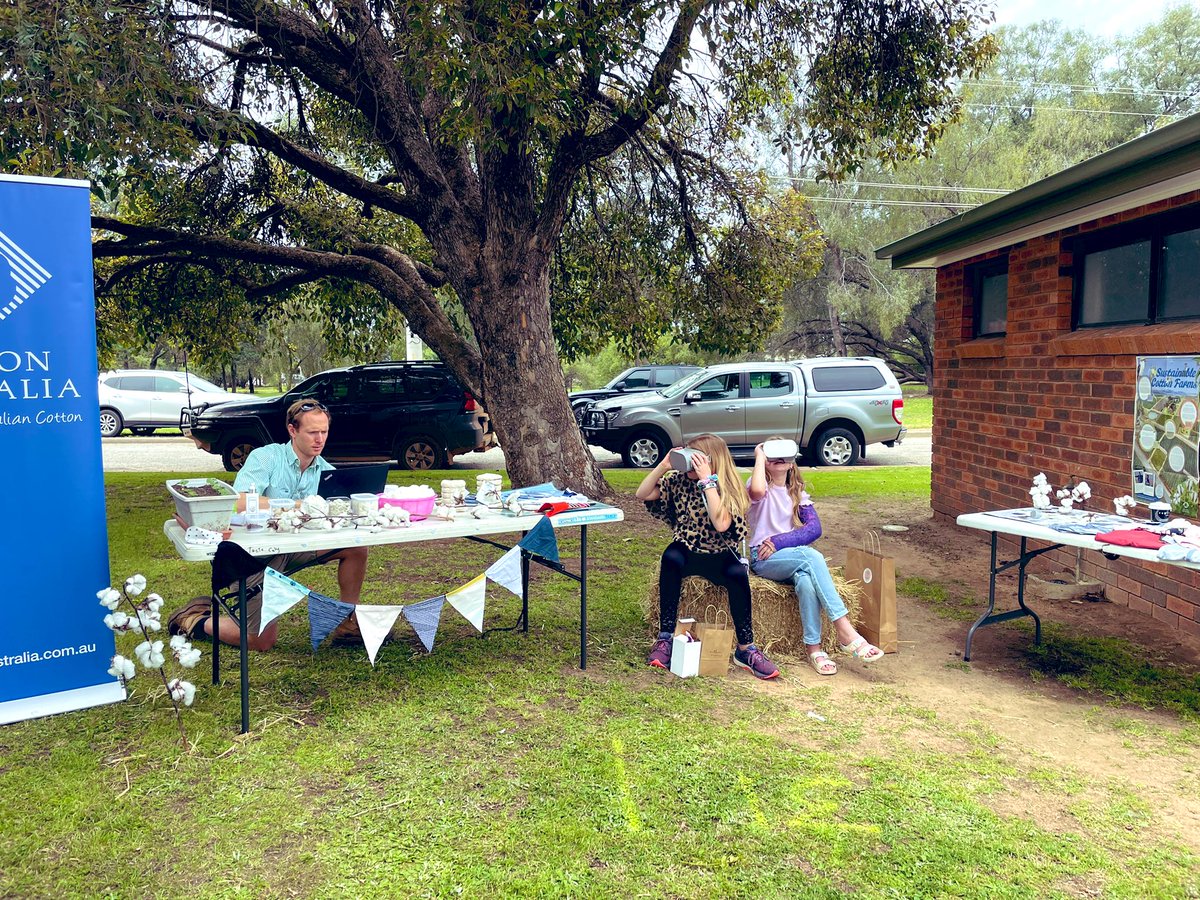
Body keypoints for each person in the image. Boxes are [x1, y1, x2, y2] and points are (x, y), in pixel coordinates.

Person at [168, 399, 369, 651]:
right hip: (252, 557)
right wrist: (297, 505)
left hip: (294, 549)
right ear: (292, 430)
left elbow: (341, 506)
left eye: (324, 432)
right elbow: (238, 501)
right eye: (312, 432)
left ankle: (347, 620)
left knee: (355, 548)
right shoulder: (266, 457)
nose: (320, 439)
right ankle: (196, 620)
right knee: (261, 641)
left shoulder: (325, 470)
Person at [636, 433, 779, 679]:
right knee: (670, 558)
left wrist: (707, 482)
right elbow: (642, 493)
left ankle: (746, 648)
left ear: (711, 460)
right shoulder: (678, 481)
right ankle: (665, 637)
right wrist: (664, 465)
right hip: (687, 548)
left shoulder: (730, 487)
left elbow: (721, 524)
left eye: (695, 458)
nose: (689, 464)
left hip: (720, 553)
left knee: (737, 574)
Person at [746, 437, 883, 675]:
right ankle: (845, 630)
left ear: (792, 462)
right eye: (772, 455)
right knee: (811, 556)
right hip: (763, 557)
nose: (779, 459)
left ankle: (814, 649)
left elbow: (814, 528)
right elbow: (756, 492)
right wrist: (759, 456)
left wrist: (779, 541)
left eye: (784, 454)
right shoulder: (759, 485)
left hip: (788, 557)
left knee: (807, 582)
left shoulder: (796, 492)